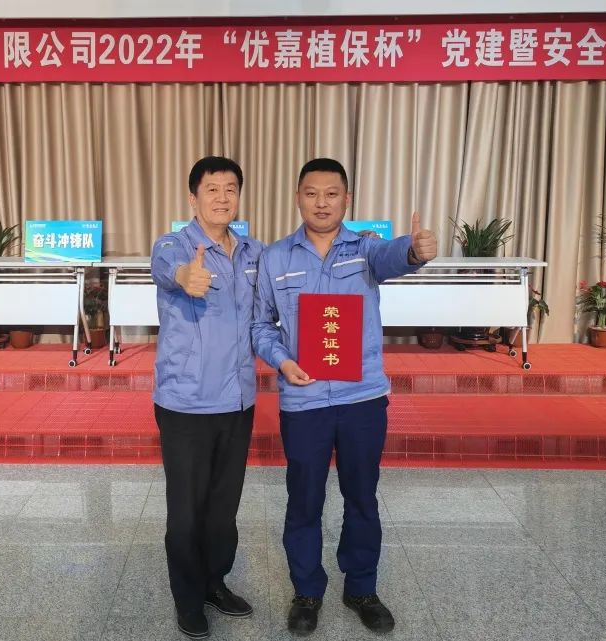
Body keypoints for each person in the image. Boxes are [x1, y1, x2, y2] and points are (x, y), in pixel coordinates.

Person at [252, 158, 438, 636]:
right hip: (304, 400)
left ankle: (361, 588)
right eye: (312, 193)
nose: (322, 203)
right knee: (304, 499)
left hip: (362, 399)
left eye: (331, 194)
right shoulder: (275, 258)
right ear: (298, 197)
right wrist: (282, 361)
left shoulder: (366, 250)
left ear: (347, 199)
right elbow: (260, 325)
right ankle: (307, 591)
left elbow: (396, 257)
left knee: (361, 496)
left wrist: (414, 251)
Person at [150, 156, 264, 640]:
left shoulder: (253, 252)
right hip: (187, 403)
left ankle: (215, 582)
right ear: (193, 198)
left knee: (223, 507)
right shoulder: (173, 245)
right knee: (186, 511)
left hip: (238, 400)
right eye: (212, 189)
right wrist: (184, 276)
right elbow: (166, 268)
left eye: (230, 188)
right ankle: (187, 597)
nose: (222, 197)